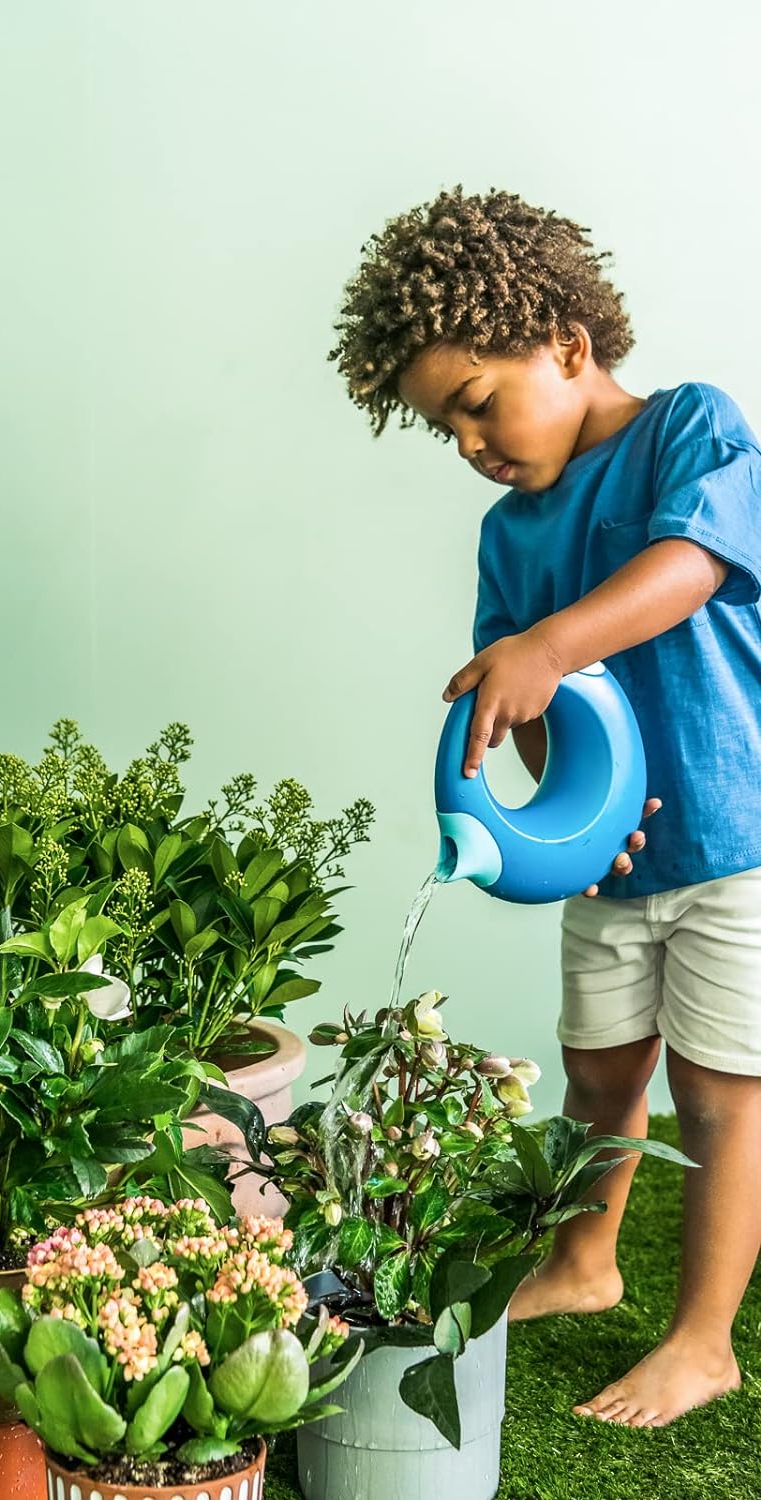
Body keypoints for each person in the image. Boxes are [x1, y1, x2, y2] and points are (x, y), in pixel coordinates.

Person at [327, 184, 761, 1428]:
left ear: (566, 346)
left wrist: (549, 647)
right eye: (443, 429)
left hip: (736, 844)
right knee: (600, 1073)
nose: (470, 442)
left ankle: (704, 1341)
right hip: (614, 860)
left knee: (724, 1088)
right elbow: (516, 715)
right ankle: (583, 1262)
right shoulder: (506, 535)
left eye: (477, 403)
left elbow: (690, 567)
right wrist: (551, 816)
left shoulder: (688, 426)